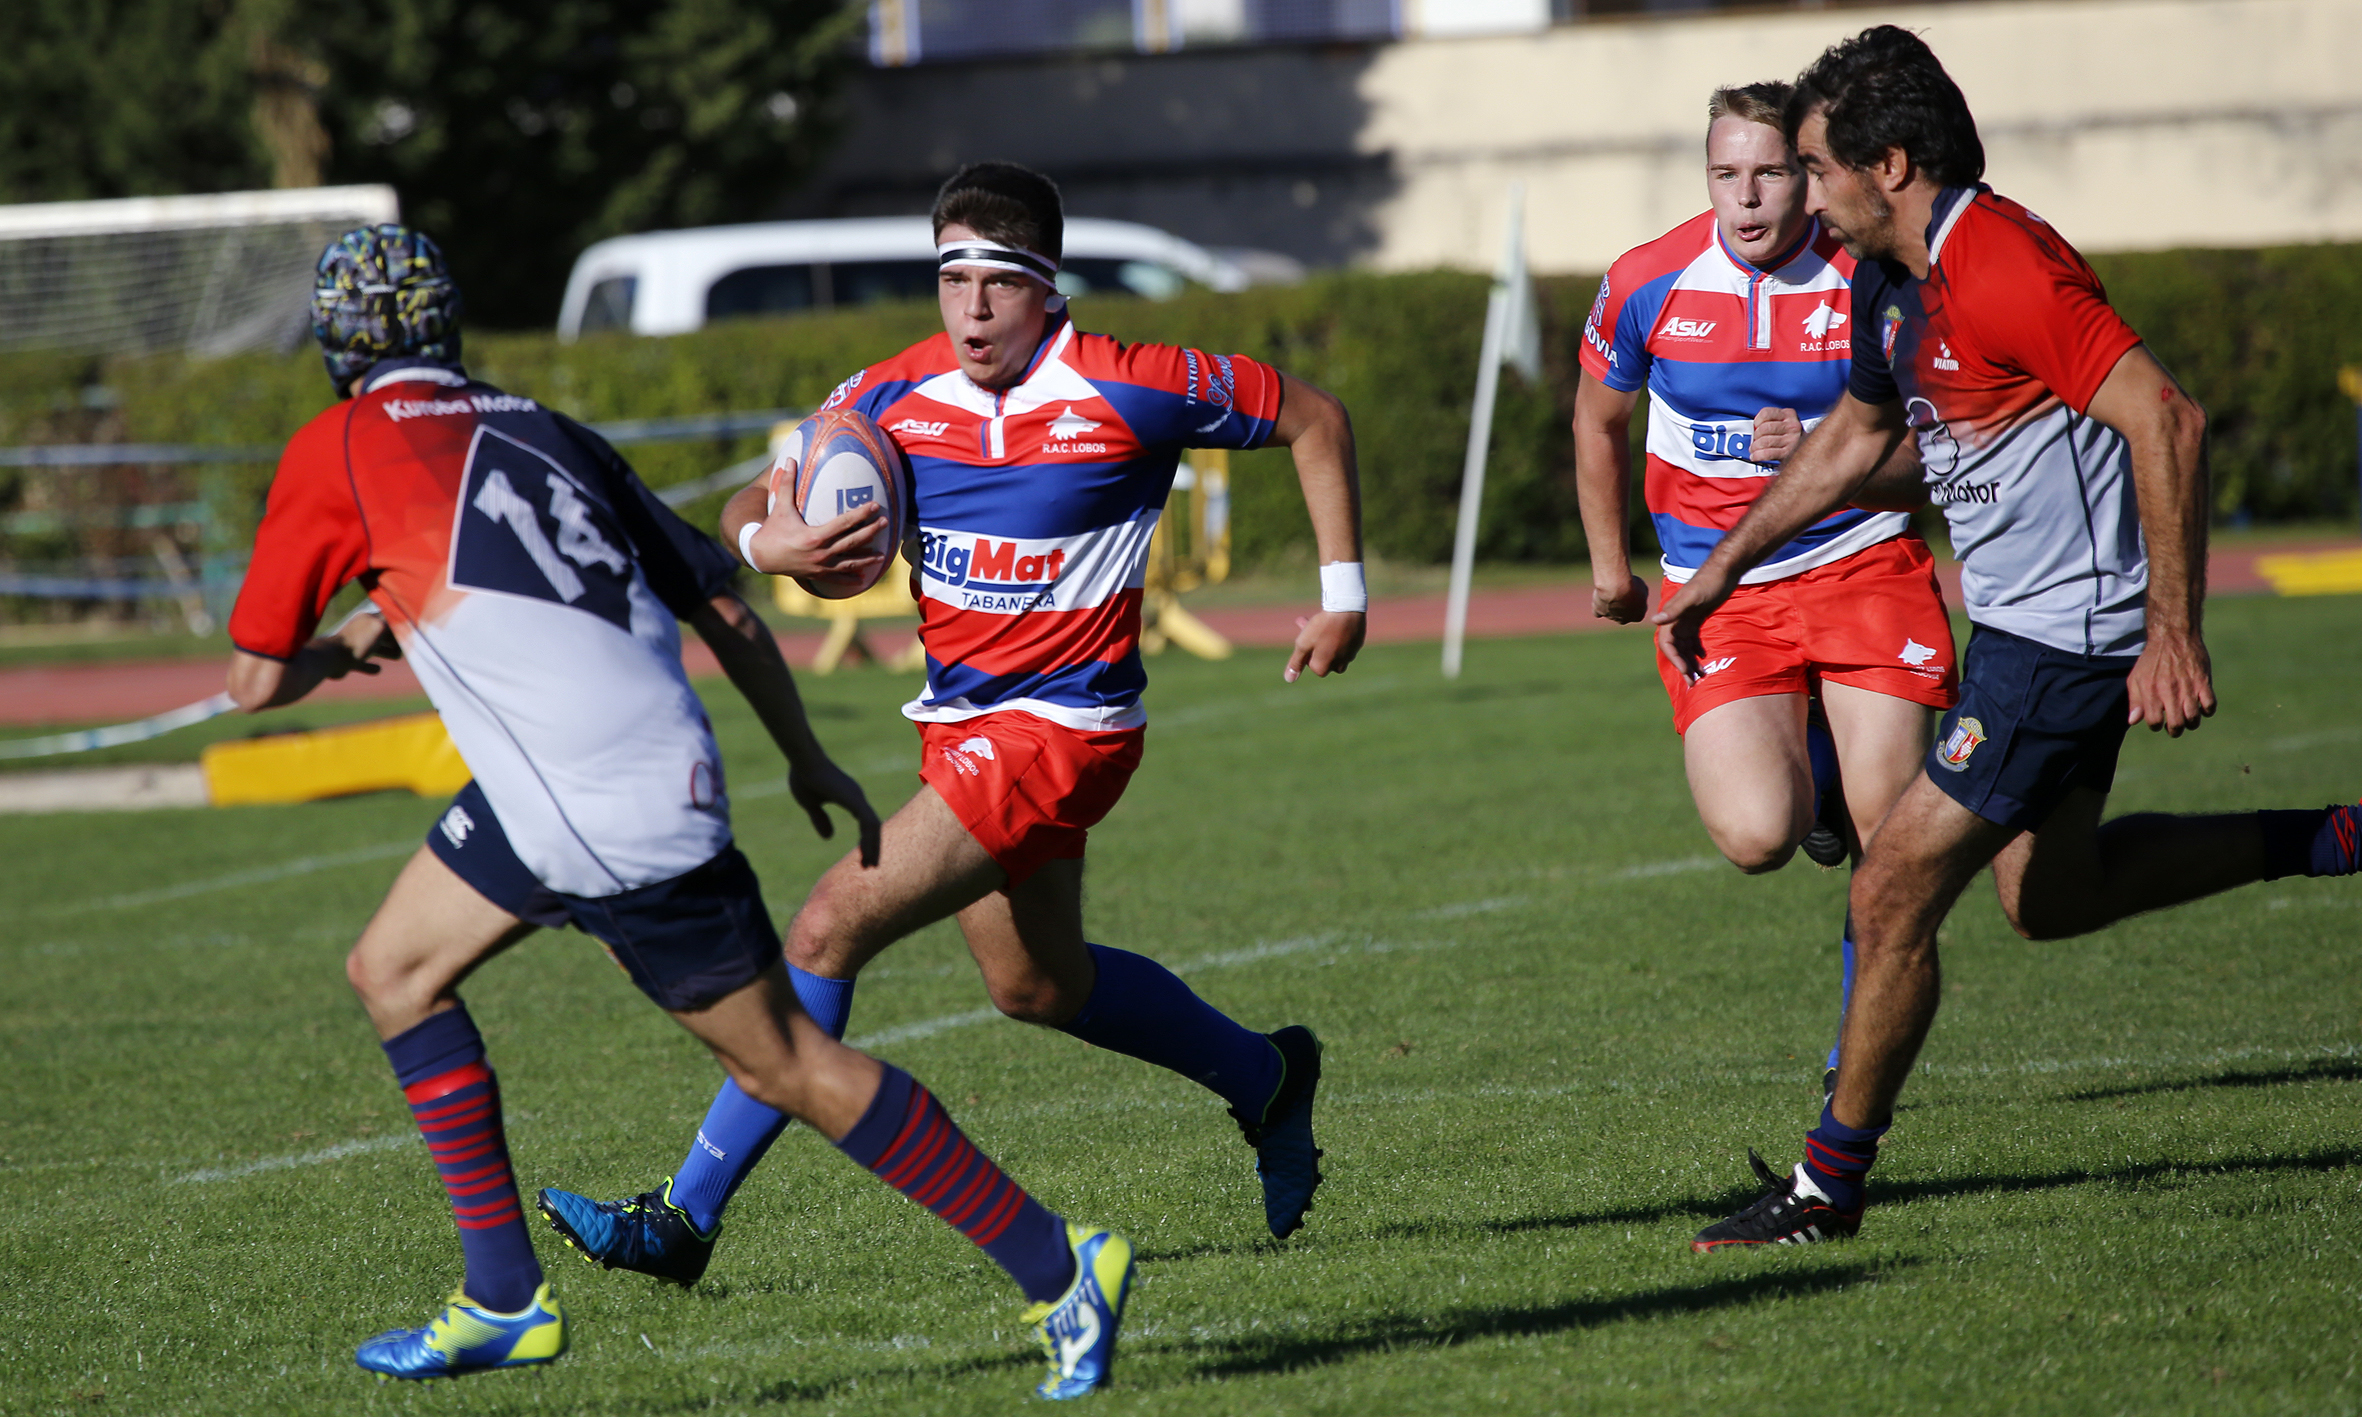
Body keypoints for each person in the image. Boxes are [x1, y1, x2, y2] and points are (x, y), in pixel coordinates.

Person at [226, 225, 1138, 1399]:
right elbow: (728, 608)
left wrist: (331, 649)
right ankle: (504, 1299)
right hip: (587, 778)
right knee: (393, 968)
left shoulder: (338, 444)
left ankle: (1063, 1263)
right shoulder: (540, 427)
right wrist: (806, 758)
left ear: (336, 346)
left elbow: (253, 681)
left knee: (788, 1066)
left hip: (603, 807)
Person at [535, 161, 1367, 1282]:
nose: (972, 307)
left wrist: (1345, 593)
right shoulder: (886, 397)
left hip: (1066, 733)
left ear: (1046, 283)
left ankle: (680, 1222)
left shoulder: (1131, 383)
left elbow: (1315, 417)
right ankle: (1267, 1077)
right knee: (1037, 987)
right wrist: (763, 540)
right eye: (951, 277)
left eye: (999, 281)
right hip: (963, 729)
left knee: (829, 926)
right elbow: (757, 499)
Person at [1654, 28, 2362, 1251]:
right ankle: (2332, 837)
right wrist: (1722, 562)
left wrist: (2169, 636)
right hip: (2017, 632)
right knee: (2050, 896)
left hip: (2065, 644)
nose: (1804, 193)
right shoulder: (1895, 283)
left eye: (1816, 168)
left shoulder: (2001, 266)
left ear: (1887, 164)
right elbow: (1851, 446)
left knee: (1889, 891)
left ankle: (1827, 1186)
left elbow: (2169, 419)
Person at [1575, 80, 1958, 1091]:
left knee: (1896, 848)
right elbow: (1595, 419)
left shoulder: (1870, 277)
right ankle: (1815, 778)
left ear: (1808, 174)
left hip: (1862, 558)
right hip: (1716, 586)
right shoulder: (1646, 280)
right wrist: (1613, 569)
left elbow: (1940, 444)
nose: (1745, 198)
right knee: (1756, 835)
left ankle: (1853, 1059)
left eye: (1770, 173)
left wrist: (1833, 457)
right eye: (1724, 174)